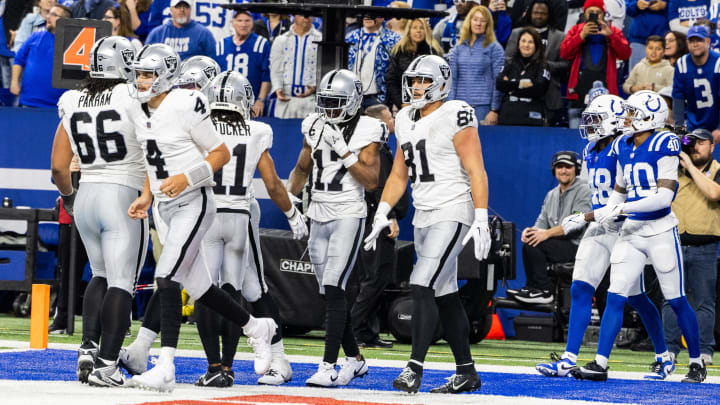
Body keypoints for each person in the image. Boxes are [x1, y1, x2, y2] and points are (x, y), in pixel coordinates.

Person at [117, 43, 276, 392]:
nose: (141, 80)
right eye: (139, 73)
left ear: (166, 77)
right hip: (164, 204)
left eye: (147, 74)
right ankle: (256, 326)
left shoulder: (186, 103)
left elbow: (220, 154)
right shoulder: (137, 108)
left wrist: (185, 179)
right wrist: (146, 195)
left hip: (194, 201)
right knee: (201, 288)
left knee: (167, 276)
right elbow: (151, 155)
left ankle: (165, 366)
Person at [363, 54, 490, 394]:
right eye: (414, 81)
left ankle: (413, 369)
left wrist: (480, 216)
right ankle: (466, 372)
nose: (417, 87)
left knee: (421, 285)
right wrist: (383, 210)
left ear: (442, 83)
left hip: (453, 210)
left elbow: (476, 168)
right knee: (444, 293)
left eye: (424, 81)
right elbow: (400, 172)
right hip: (424, 214)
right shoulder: (404, 117)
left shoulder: (456, 112)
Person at [537, 94, 676, 380]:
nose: (589, 126)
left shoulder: (623, 145)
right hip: (601, 224)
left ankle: (663, 354)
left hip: (626, 226)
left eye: (595, 120)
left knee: (636, 298)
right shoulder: (590, 148)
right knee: (580, 288)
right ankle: (568, 358)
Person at [571, 90, 706, 384]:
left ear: (648, 117)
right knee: (616, 294)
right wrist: (594, 215)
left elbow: (663, 198)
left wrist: (621, 207)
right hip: (631, 230)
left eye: (632, 113)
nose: (626, 118)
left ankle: (696, 361)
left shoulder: (664, 142)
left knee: (677, 299)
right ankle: (600, 363)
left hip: (660, 230)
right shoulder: (622, 144)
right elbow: (619, 191)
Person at [192, 71, 307, 387]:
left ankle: (214, 366)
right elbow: (272, 183)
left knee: (206, 291)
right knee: (233, 291)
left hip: (208, 214)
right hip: (240, 217)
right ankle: (228, 368)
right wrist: (292, 213)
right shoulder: (256, 130)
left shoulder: (199, 126)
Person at [50, 37, 148, 387]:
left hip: (87, 192)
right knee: (122, 281)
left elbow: (59, 167)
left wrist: (71, 199)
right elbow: (153, 147)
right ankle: (107, 366)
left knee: (99, 274)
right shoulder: (132, 97)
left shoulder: (71, 100)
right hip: (123, 192)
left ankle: (89, 349)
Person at [287, 69, 381, 387]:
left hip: (348, 212)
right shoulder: (313, 124)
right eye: (325, 102)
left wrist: (343, 150)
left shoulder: (368, 127)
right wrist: (290, 205)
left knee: (334, 285)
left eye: (337, 102)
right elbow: (302, 167)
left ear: (354, 102)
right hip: (317, 212)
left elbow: (370, 181)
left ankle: (328, 366)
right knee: (328, 292)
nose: (329, 109)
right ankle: (355, 359)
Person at [350, 103, 409, 349]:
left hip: (377, 217)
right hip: (377, 219)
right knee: (375, 277)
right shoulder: (373, 149)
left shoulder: (381, 148)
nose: (393, 121)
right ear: (380, 124)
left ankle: (368, 332)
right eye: (390, 118)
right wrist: (390, 215)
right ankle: (353, 329)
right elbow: (377, 186)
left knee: (376, 278)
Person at [662, 128, 720, 367]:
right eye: (692, 143)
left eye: (702, 143)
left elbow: (714, 193)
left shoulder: (717, 170)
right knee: (670, 299)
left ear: (712, 146)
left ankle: (705, 351)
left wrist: (689, 165)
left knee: (705, 301)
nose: (695, 147)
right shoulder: (672, 170)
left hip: (704, 246)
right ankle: (669, 350)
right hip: (672, 243)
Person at [508, 151, 591, 304]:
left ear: (576, 170)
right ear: (554, 170)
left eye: (568, 167)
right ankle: (533, 287)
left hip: (577, 246)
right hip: (557, 243)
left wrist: (546, 234)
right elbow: (541, 222)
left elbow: (577, 224)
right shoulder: (551, 194)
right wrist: (531, 231)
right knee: (531, 241)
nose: (563, 171)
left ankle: (544, 291)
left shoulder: (584, 190)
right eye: (560, 167)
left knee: (537, 245)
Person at [560, 0, 631, 128]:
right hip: (578, 92)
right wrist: (581, 36)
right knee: (576, 132)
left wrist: (611, 36)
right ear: (584, 13)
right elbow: (564, 53)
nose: (594, 14)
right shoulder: (576, 30)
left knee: (606, 132)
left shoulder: (612, 31)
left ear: (604, 14)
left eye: (598, 12)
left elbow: (625, 54)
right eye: (591, 12)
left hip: (607, 91)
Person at [505, 0, 568, 126]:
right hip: (520, 95)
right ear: (529, 13)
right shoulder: (517, 33)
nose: (539, 16)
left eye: (542, 13)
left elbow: (565, 64)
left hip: (548, 97)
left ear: (549, 15)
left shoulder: (560, 36)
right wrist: (527, 66)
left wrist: (544, 65)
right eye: (535, 12)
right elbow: (508, 59)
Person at [447, 5, 505, 126]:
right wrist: (450, 106)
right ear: (469, 21)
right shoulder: (458, 47)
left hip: (483, 108)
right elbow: (452, 79)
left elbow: (498, 82)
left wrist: (494, 110)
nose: (478, 23)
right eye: (475, 19)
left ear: (488, 24)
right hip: (459, 107)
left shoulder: (495, 48)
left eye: (483, 21)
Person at [9, 4, 69, 108]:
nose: (48, 17)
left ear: (66, 21)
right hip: (28, 102)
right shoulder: (35, 36)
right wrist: (14, 82)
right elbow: (19, 59)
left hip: (59, 106)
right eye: (49, 13)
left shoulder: (73, 44)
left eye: (54, 15)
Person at [217, 10, 271, 118]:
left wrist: (260, 100)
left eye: (247, 20)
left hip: (252, 103)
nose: (243, 24)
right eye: (240, 20)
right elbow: (217, 76)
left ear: (252, 22)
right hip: (226, 103)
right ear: (233, 22)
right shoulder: (222, 44)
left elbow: (266, 76)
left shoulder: (261, 43)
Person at [672, 25, 720, 142]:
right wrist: (679, 128)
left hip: (716, 125)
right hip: (691, 126)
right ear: (687, 43)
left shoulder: (718, 63)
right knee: (685, 149)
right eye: (692, 41)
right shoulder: (682, 64)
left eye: (699, 40)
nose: (695, 44)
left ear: (708, 41)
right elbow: (678, 98)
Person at [384, 18, 443, 112]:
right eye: (414, 28)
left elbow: (440, 80)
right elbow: (391, 79)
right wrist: (401, 102)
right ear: (409, 31)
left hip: (428, 104)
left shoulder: (434, 52)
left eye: (421, 28)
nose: (418, 31)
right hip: (404, 105)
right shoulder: (399, 51)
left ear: (426, 31)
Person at [268, 14, 321, 118]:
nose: (306, 17)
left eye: (309, 14)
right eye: (302, 14)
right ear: (294, 16)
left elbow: (324, 69)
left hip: (311, 100)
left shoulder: (321, 39)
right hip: (286, 99)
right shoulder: (281, 40)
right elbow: (275, 69)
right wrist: (278, 88)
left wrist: (315, 86)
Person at [495, 27, 551, 126]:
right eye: (523, 41)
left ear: (536, 45)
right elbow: (499, 84)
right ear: (518, 43)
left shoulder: (542, 65)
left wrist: (511, 87)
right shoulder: (510, 62)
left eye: (530, 42)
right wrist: (522, 84)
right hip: (508, 115)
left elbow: (539, 89)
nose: (526, 45)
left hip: (531, 116)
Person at [346, 16, 401, 108]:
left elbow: (397, 71)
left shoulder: (393, 39)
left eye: (373, 15)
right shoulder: (351, 36)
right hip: (352, 97)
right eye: (365, 15)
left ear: (382, 18)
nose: (368, 18)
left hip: (379, 98)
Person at [146, 0, 217, 61]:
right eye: (178, 6)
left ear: (190, 10)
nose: (182, 10)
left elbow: (213, 60)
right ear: (171, 10)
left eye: (186, 6)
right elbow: (147, 58)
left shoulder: (203, 33)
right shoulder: (157, 33)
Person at [435, 0, 512, 51]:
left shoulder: (484, 23)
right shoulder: (444, 24)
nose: (458, 4)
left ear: (474, 4)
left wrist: (495, 14)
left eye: (463, 1)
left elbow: (501, 41)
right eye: (456, 1)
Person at [626, 0, 670, 70]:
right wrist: (636, 5)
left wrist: (665, 6)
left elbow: (679, 7)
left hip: (662, 39)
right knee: (636, 76)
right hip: (638, 39)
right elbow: (626, 7)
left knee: (661, 77)